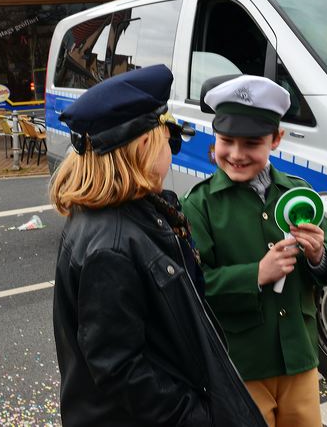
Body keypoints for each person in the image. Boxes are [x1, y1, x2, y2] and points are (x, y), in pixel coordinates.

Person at [50, 65, 266, 426]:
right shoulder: (112, 243)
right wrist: (197, 417)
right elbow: (120, 369)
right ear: (145, 145)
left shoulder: (133, 215)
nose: (172, 148)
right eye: (168, 138)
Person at [182, 75, 327, 427]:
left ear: (276, 140)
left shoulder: (298, 191)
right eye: (227, 141)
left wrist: (319, 255)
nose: (237, 154)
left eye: (252, 143)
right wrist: (255, 275)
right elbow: (195, 286)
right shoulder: (200, 205)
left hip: (299, 357)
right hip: (241, 363)